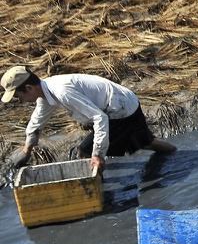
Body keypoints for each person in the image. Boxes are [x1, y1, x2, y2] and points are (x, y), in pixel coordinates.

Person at [1, 66, 175, 172]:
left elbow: (100, 118)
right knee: (145, 142)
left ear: (29, 88)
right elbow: (37, 121)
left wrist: (98, 155)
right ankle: (176, 154)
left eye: (18, 96)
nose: (20, 101)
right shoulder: (46, 92)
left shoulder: (62, 91)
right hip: (121, 105)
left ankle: (93, 193)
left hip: (120, 110)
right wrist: (27, 149)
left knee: (84, 151)